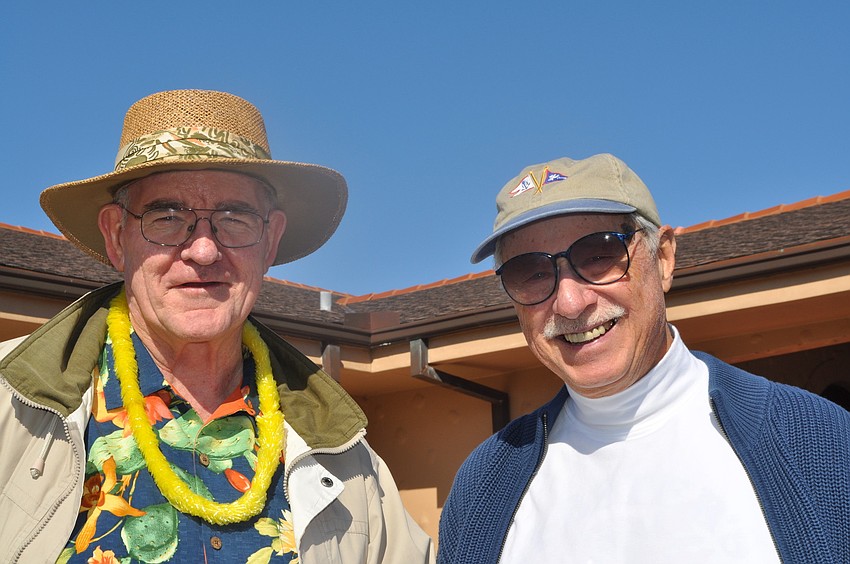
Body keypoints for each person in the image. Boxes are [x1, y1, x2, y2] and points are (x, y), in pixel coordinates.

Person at [0, 89, 434, 564]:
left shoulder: (346, 457)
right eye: (167, 217)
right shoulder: (11, 410)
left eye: (234, 218)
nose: (204, 250)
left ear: (270, 241)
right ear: (116, 236)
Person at [438, 153, 850, 563]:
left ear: (664, 258)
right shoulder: (483, 486)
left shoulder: (819, 442)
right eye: (531, 272)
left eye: (598, 255)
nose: (569, 302)